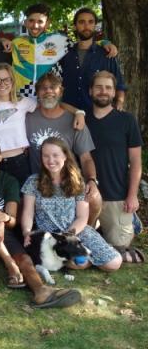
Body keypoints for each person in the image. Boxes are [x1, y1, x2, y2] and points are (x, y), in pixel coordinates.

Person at [0, 137, 82, 309]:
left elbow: (11, 219)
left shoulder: (9, 181)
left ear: (0, 157)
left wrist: (3, 222)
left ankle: (41, 291)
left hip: (2, 235)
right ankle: (9, 263)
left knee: (25, 259)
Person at [21, 137, 122, 272]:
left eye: (55, 155)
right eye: (46, 156)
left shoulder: (77, 181)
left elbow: (82, 217)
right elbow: (28, 212)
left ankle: (86, 258)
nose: (50, 160)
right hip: (51, 236)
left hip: (76, 231)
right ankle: (82, 259)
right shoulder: (33, 181)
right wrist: (27, 232)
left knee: (114, 263)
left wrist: (69, 236)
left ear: (65, 156)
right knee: (78, 263)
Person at [0, 63, 84, 187]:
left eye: (6, 79)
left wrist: (78, 112)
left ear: (12, 82)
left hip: (18, 162)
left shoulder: (24, 102)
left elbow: (53, 104)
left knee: (19, 203)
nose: (2, 83)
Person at [25, 72, 101, 225]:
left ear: (61, 91)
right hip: (39, 184)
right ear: (37, 92)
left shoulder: (74, 120)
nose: (48, 91)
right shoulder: (27, 117)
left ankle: (87, 230)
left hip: (68, 182)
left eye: (53, 87)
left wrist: (92, 180)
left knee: (94, 198)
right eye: (43, 88)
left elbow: (86, 158)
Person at [86, 71, 144, 263]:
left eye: (108, 88)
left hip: (117, 196)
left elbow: (136, 161)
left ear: (114, 93)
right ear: (90, 91)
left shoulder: (127, 120)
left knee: (120, 247)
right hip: (87, 197)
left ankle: (131, 222)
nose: (103, 91)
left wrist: (132, 195)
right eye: (99, 87)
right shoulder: (81, 120)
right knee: (83, 245)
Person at [11, 3, 116, 98]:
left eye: (40, 21)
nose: (35, 25)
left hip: (49, 98)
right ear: (25, 22)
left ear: (47, 23)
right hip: (22, 99)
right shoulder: (16, 43)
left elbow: (81, 45)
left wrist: (103, 42)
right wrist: (2, 40)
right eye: (31, 21)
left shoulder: (59, 40)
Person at [59, 7, 126, 111]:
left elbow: (119, 84)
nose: (86, 26)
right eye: (82, 22)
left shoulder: (106, 54)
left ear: (95, 25)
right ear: (75, 26)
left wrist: (119, 103)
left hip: (97, 116)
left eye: (90, 22)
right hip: (69, 114)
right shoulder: (65, 54)